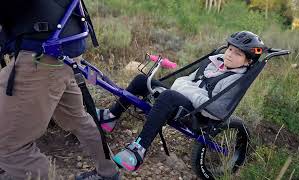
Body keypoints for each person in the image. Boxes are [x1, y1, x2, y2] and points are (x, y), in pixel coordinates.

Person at [96, 31, 266, 171]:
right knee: (142, 80)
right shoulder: (214, 62)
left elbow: (215, 108)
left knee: (168, 96)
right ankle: (111, 115)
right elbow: (187, 79)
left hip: (197, 114)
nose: (230, 55)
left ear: (248, 61)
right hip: (184, 99)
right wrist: (184, 87)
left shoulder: (235, 80)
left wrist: (185, 89)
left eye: (238, 54)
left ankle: (138, 150)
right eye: (230, 49)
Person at [0, 0, 119, 179]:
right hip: (63, 52)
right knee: (78, 119)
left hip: (41, 56)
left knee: (9, 145)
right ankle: (108, 172)